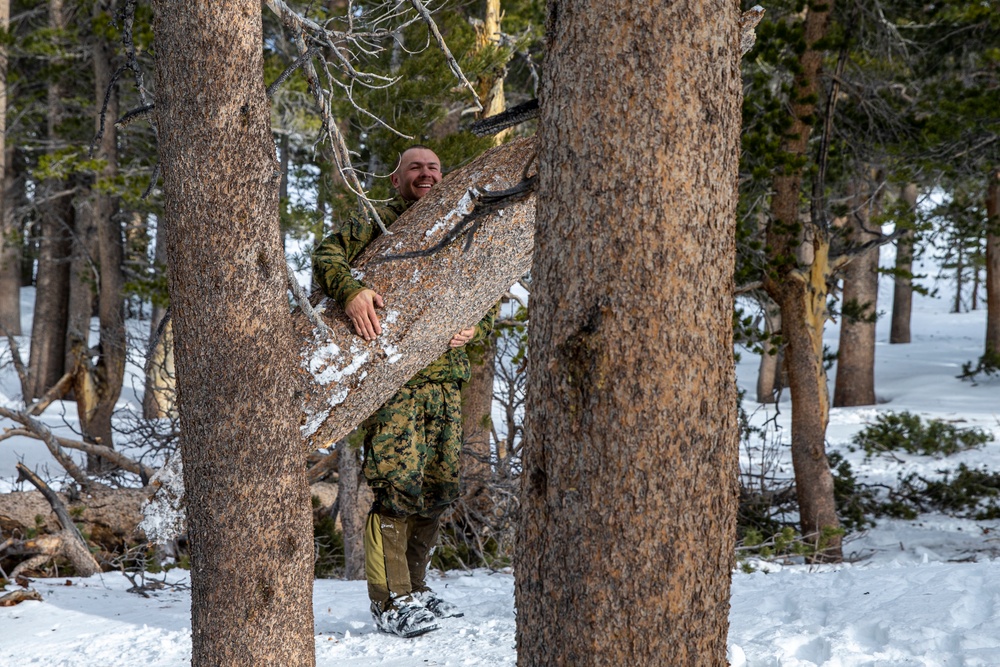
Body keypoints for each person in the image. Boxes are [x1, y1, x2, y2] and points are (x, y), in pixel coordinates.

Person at [312, 146, 497, 638]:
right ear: (396, 179)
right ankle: (390, 600)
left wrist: (475, 323)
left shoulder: (458, 220)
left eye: (434, 167)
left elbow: (484, 285)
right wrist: (350, 291)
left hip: (445, 379)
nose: (427, 174)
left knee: (436, 491)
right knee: (397, 488)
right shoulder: (379, 219)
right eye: (415, 167)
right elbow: (326, 254)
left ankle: (415, 589)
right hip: (396, 380)